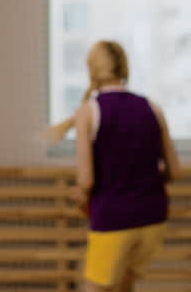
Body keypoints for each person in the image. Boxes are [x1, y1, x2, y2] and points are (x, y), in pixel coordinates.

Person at [49, 40, 179, 292]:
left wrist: (81, 193)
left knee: (96, 287)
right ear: (124, 68)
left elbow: (86, 180)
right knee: (125, 285)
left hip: (113, 219)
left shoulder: (89, 111)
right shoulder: (153, 107)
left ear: (91, 69)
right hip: (153, 218)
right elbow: (174, 171)